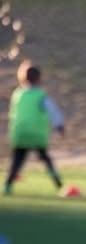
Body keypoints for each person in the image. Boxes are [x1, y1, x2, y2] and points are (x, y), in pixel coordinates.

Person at [4, 61, 64, 196]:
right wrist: (59, 125)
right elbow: (52, 111)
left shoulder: (17, 94)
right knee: (46, 159)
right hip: (36, 134)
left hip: (20, 133)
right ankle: (58, 184)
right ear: (39, 78)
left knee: (17, 160)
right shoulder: (40, 95)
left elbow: (13, 113)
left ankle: (8, 185)